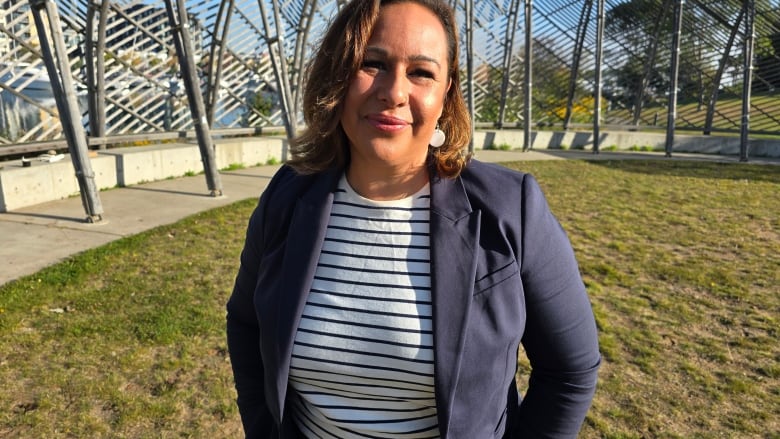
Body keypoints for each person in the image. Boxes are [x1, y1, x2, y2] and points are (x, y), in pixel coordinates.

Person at [226, 0, 601, 437]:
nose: (394, 91)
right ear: (338, 75)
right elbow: (246, 322)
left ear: (446, 94)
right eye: (372, 63)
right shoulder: (288, 196)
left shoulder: (510, 209)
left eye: (421, 72)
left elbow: (569, 370)